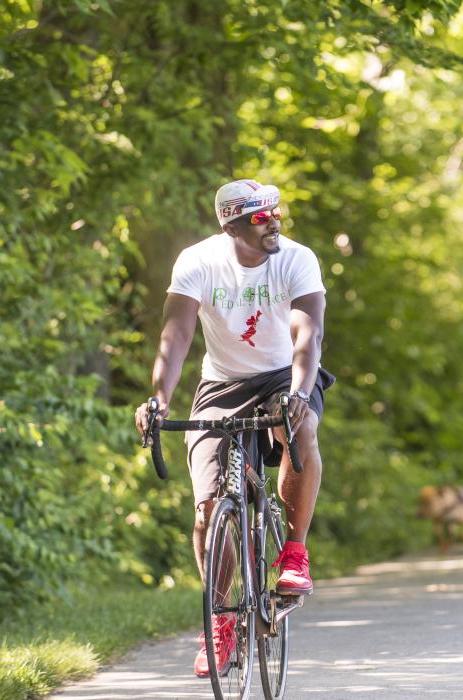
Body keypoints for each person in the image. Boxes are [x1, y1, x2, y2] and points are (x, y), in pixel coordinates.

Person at [133, 178, 333, 678]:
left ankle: (294, 552)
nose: (274, 223)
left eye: (276, 213)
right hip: (221, 383)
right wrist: (159, 399)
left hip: (282, 375)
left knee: (299, 429)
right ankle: (219, 620)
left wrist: (301, 395)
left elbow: (308, 335)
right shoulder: (199, 261)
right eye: (262, 217)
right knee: (207, 508)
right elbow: (176, 333)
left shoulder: (296, 258)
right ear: (233, 224)